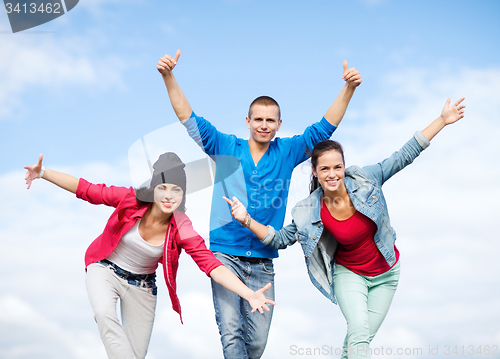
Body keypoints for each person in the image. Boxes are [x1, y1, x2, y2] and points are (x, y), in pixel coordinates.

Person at [157, 49, 362, 358]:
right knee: (232, 335)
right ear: (248, 121)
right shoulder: (225, 146)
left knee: (256, 344)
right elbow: (188, 117)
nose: (264, 125)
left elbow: (324, 128)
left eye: (270, 120)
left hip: (263, 262)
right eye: (258, 119)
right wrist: (168, 76)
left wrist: (348, 88)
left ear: (279, 123)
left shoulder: (288, 151)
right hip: (225, 256)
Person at [224, 97, 466, 359]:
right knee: (359, 331)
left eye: (337, 167)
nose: (332, 174)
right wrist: (247, 220)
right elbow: (279, 238)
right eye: (325, 168)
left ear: (343, 167)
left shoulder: (365, 179)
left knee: (358, 341)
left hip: (387, 273)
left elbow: (403, 156)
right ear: (315, 172)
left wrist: (442, 120)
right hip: (349, 273)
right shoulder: (310, 211)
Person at [23, 152, 275, 359]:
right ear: (153, 188)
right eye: (162, 187)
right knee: (104, 313)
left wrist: (249, 293)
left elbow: (210, 264)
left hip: (142, 288)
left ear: (182, 194)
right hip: (106, 270)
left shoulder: (181, 226)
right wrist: (43, 173)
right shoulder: (130, 200)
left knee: (134, 354)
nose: (168, 196)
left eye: (176, 190)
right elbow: (88, 190)